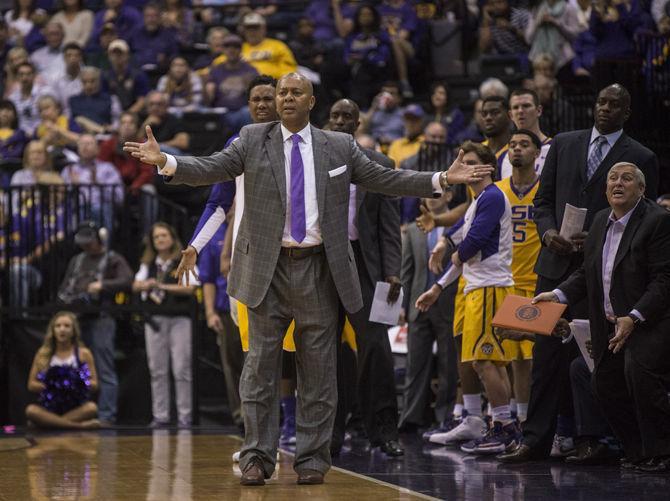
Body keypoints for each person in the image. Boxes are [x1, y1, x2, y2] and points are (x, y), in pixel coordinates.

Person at [124, 72, 491, 486]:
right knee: (259, 367)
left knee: (319, 370)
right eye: (282, 92)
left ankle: (313, 457)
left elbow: (385, 179)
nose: (286, 98)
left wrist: (442, 179)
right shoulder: (251, 138)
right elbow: (211, 168)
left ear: (312, 101)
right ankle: (257, 456)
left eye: (296, 92)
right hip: (267, 266)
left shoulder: (338, 145)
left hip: (320, 266)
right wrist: (166, 161)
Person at [498, 83, 659, 463]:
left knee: (592, 356)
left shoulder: (641, 156)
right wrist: (548, 232)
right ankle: (534, 439)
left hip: (605, 272)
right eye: (601, 101)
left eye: (614, 104)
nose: (605, 108)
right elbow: (542, 201)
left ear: (627, 112)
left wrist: (604, 236)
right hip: (555, 267)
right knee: (546, 354)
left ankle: (591, 438)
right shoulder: (565, 144)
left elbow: (645, 218)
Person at [534, 162, 670, 472]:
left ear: (642, 189)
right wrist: (557, 295)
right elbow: (586, 272)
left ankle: (663, 450)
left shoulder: (658, 221)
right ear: (605, 188)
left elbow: (664, 279)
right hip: (610, 323)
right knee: (604, 385)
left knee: (641, 377)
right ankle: (638, 451)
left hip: (651, 322)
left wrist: (634, 317)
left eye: (627, 179)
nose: (618, 183)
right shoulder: (599, 221)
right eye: (612, 178)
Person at [416, 140, 520, 455]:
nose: (468, 168)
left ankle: (504, 428)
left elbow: (472, 242)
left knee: (486, 360)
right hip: (478, 287)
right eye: (464, 163)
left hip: (490, 287)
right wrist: (439, 282)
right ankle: (488, 423)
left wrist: (451, 258)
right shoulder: (479, 200)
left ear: (488, 166)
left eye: (473, 162)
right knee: (483, 359)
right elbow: (461, 233)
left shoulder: (491, 197)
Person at [327, 98, 404, 457]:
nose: (341, 121)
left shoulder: (381, 164)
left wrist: (393, 273)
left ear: (358, 124)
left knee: (376, 347)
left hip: (366, 264)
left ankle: (384, 431)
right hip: (323, 263)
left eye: (348, 116)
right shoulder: (314, 163)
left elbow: (390, 227)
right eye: (335, 116)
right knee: (325, 351)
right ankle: (329, 436)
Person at [57, 220, 133, 424]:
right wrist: (70, 299)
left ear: (99, 239)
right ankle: (76, 414)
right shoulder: (77, 260)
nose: (86, 246)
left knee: (104, 368)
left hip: (102, 318)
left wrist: (102, 285)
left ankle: (106, 416)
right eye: (83, 243)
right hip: (77, 319)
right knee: (75, 368)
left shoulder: (112, 258)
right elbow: (64, 287)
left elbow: (127, 280)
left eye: (89, 242)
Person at [399, 191, 459, 432]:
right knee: (415, 365)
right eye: (428, 195)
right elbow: (407, 271)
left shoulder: (456, 226)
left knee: (448, 365)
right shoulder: (413, 230)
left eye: (438, 194)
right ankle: (411, 418)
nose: (433, 198)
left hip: (447, 303)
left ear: (449, 197)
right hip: (418, 305)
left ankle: (444, 417)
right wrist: (403, 307)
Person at [495, 129, 543, 424]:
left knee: (530, 359)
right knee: (505, 358)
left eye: (524, 144)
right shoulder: (497, 190)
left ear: (538, 153)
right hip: (505, 282)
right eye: (512, 145)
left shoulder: (547, 190)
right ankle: (509, 419)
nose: (516, 149)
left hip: (537, 283)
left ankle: (527, 421)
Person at [133, 222, 199, 428]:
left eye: (164, 235)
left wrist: (162, 286)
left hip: (179, 318)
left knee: (181, 369)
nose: (161, 239)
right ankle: (160, 416)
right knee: (157, 369)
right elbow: (135, 284)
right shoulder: (148, 263)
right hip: (155, 320)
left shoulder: (183, 259)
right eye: (156, 237)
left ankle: (184, 417)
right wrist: (146, 285)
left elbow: (190, 288)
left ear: (172, 237)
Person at [199, 220, 244, 430]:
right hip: (226, 307)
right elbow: (207, 278)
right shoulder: (214, 235)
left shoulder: (251, 223)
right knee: (232, 363)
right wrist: (210, 312)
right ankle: (240, 414)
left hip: (254, 305)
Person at [25, 311, 100, 429]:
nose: (62, 329)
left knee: (92, 408)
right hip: (50, 407)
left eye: (67, 326)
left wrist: (75, 383)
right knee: (31, 410)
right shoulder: (43, 353)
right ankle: (79, 426)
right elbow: (31, 384)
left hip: (75, 408)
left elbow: (95, 384)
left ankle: (47, 424)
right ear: (53, 330)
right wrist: (53, 385)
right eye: (58, 326)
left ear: (73, 331)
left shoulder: (83, 353)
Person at [61, 134, 124, 232]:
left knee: (99, 209)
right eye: (82, 144)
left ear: (97, 149)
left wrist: (97, 183)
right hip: (77, 208)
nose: (85, 146)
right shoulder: (68, 170)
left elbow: (119, 197)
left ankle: (103, 245)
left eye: (89, 143)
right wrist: (73, 187)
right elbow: (60, 197)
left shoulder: (108, 168)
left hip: (101, 208)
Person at [205, 34, 258, 131]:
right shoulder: (215, 70)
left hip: (242, 111)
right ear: (223, 49)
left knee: (247, 112)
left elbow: (256, 99)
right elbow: (208, 101)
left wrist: (249, 88)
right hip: (221, 112)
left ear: (241, 49)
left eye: (236, 47)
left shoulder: (250, 71)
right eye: (227, 46)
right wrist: (207, 90)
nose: (231, 50)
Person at [500, 88, 551, 179]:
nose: (520, 111)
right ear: (511, 115)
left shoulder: (555, 149)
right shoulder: (503, 155)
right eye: (516, 107)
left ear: (539, 110)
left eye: (526, 106)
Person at [237, 13, 297, 79]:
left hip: (273, 84)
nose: (252, 31)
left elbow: (289, 69)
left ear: (264, 29)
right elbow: (224, 64)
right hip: (243, 86)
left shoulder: (278, 46)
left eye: (256, 28)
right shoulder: (237, 48)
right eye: (248, 28)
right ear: (244, 31)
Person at [69, 66, 121, 134]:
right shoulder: (73, 100)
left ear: (99, 80)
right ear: (80, 82)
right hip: (80, 138)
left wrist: (113, 127)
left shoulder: (111, 99)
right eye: (85, 82)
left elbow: (118, 119)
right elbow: (68, 121)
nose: (88, 85)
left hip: (105, 138)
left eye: (92, 81)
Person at [103, 38, 150, 114]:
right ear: (108, 56)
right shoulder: (105, 76)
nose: (117, 56)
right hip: (112, 113)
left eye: (120, 53)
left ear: (127, 55)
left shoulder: (138, 75)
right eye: (113, 54)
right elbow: (103, 99)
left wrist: (127, 115)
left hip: (135, 114)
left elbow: (142, 100)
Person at [129, 3, 178, 72]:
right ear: (143, 18)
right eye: (148, 16)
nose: (151, 20)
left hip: (160, 73)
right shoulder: (135, 34)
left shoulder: (168, 36)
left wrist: (166, 61)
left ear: (160, 18)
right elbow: (127, 54)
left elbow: (175, 56)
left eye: (154, 16)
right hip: (138, 74)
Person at [7, 61, 51, 135]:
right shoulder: (12, 98)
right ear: (17, 77)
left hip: (42, 133)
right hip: (19, 136)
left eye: (28, 74)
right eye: (21, 74)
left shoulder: (44, 93)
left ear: (34, 76)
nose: (25, 78)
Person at [140, 91, 189, 155]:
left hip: (168, 154)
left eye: (159, 104)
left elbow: (183, 142)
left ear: (166, 106)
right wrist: (144, 126)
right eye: (151, 104)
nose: (155, 107)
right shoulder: (142, 117)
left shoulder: (173, 119)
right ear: (147, 106)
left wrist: (158, 145)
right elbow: (136, 141)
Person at [51, 42, 83, 117]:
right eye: (69, 55)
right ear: (64, 58)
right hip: (64, 118)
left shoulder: (87, 77)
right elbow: (56, 104)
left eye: (76, 55)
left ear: (81, 58)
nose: (73, 58)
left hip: (85, 114)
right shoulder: (56, 79)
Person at [0, 98, 28, 164]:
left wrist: (3, 154)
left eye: (9, 109)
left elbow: (18, 152)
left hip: (12, 167)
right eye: (1, 109)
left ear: (15, 115)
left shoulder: (20, 134)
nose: (5, 112)